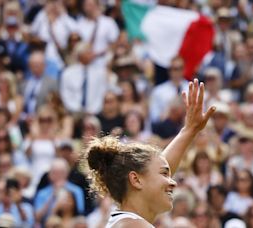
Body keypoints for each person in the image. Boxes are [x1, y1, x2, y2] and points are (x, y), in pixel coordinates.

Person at [84, 79, 215, 227]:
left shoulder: (126, 221)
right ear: (136, 180)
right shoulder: (132, 225)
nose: (173, 182)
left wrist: (190, 130)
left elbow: (156, 168)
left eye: (168, 174)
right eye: (165, 174)